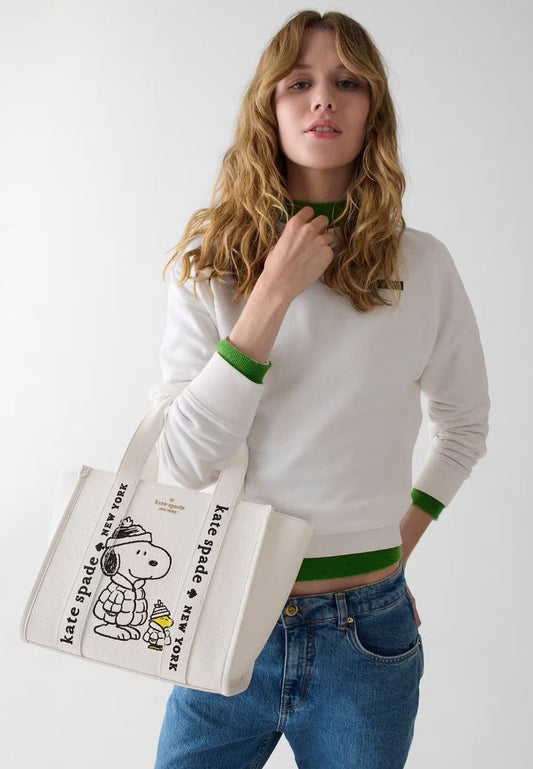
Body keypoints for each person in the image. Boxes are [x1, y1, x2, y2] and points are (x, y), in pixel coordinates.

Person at [149, 10, 490, 769]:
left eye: (347, 82)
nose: (323, 99)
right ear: (268, 108)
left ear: (373, 110)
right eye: (298, 83)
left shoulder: (422, 266)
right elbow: (183, 461)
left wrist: (391, 556)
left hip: (366, 638)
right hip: (224, 617)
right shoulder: (212, 265)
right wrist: (272, 292)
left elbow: (464, 426)